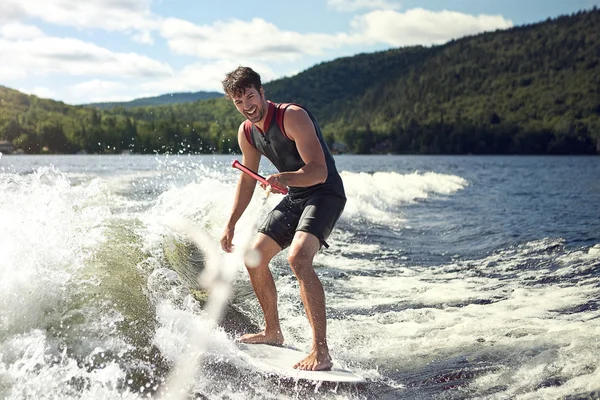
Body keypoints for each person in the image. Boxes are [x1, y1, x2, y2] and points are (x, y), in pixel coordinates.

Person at [219, 66, 346, 371]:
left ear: (262, 93)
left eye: (250, 96)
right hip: (297, 197)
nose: (246, 106)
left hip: (324, 194)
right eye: (238, 102)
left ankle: (320, 350)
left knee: (299, 258)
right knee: (254, 258)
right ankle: (273, 332)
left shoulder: (292, 116)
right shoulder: (247, 132)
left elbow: (319, 171)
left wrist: (283, 178)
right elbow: (248, 181)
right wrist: (231, 223)